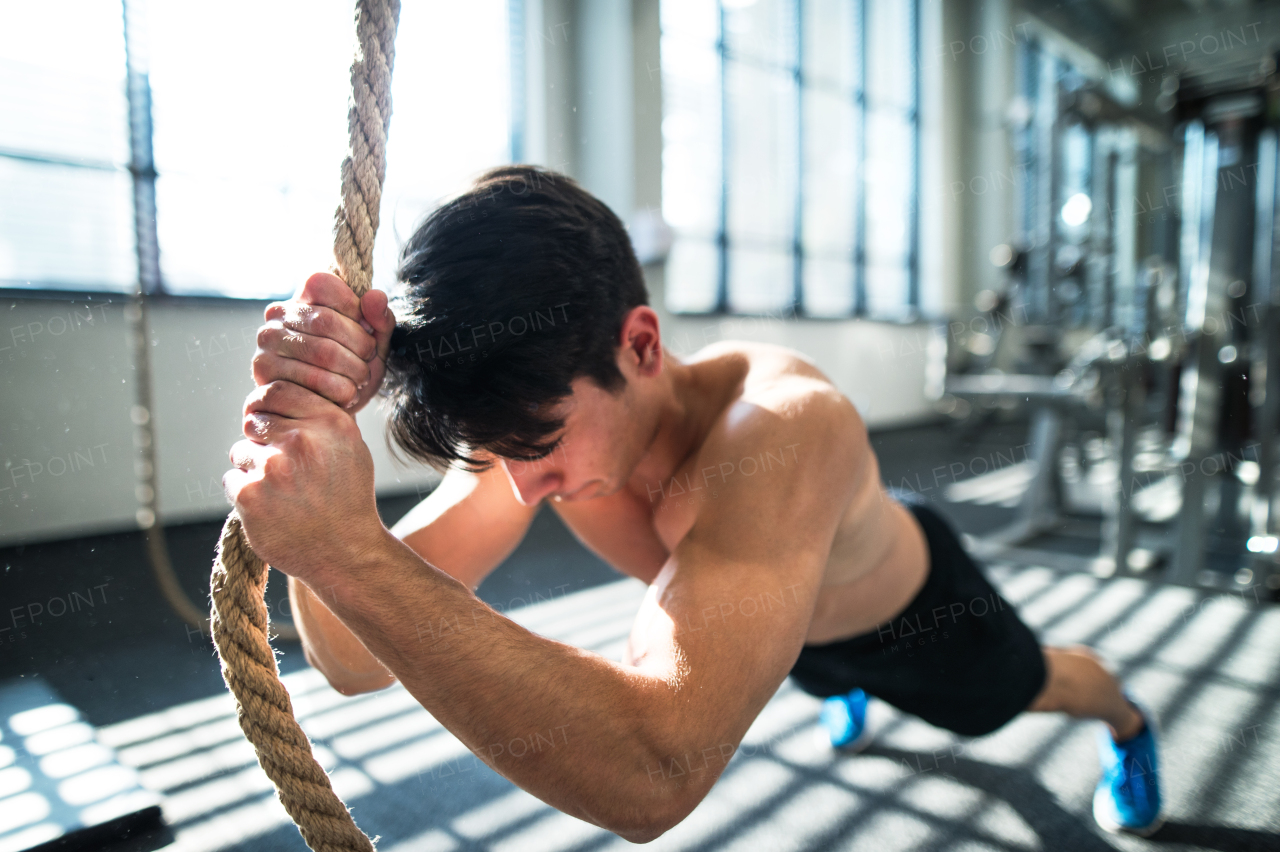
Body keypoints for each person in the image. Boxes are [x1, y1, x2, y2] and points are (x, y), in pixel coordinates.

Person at [227, 166, 1163, 841]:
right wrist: (330, 435)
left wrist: (350, 550)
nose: (522, 488)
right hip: (767, 625)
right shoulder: (531, 432)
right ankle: (823, 681)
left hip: (907, 613)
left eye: (542, 449)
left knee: (1026, 690)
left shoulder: (782, 433)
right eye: (502, 456)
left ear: (641, 345)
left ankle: (1128, 722)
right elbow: (351, 657)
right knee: (783, 657)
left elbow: (655, 773)